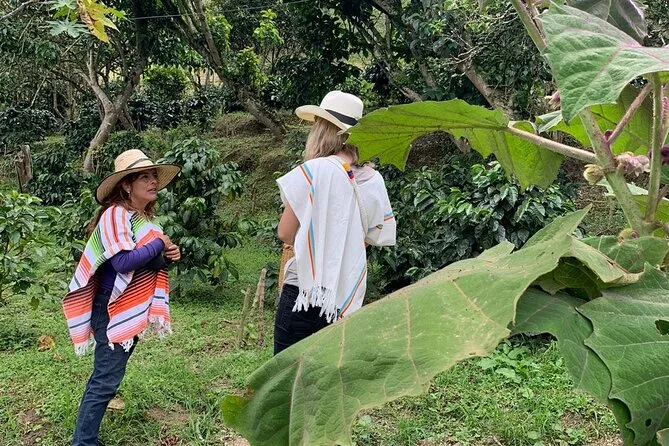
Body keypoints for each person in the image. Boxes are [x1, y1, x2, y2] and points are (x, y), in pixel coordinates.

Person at [62, 149, 181, 446]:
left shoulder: (145, 221)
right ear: (126, 185)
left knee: (105, 377)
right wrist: (159, 244)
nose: (153, 182)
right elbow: (122, 263)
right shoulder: (115, 215)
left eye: (154, 176)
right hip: (110, 306)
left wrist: (167, 257)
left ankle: (85, 438)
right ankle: (83, 442)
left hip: (124, 303)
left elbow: (146, 264)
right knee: (105, 381)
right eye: (145, 177)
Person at [273, 90, 396, 355]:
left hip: (302, 289)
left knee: (288, 373)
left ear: (322, 131)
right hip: (343, 295)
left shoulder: (313, 171)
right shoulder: (374, 180)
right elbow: (373, 237)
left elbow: (285, 232)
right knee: (329, 374)